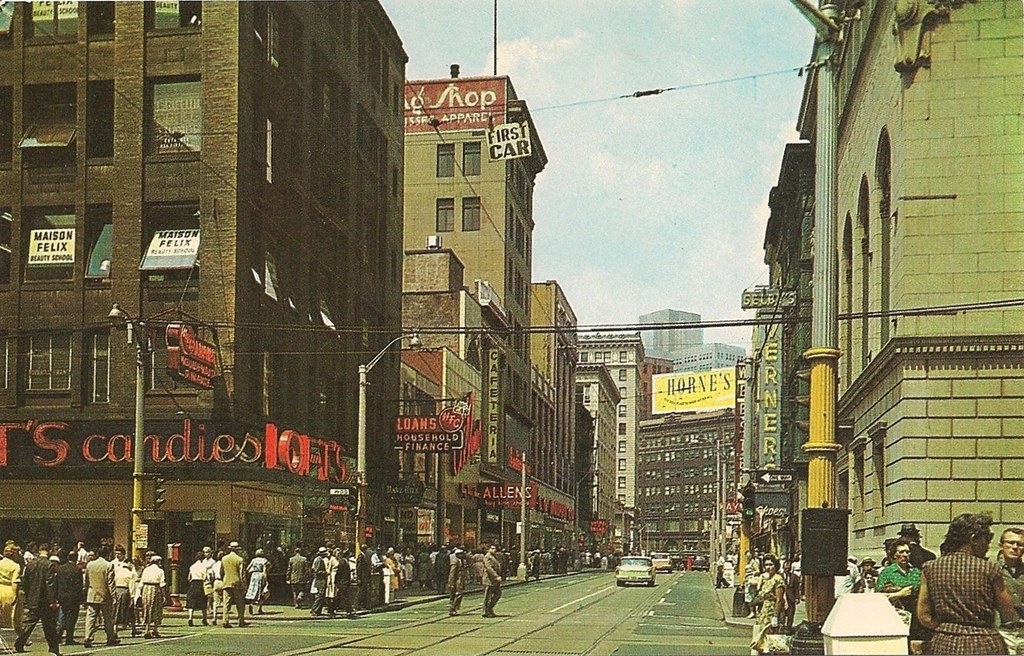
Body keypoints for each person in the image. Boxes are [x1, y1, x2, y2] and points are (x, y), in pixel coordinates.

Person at [917, 513, 1019, 655]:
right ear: (973, 539)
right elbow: (1007, 612)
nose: (988, 545)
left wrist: (946, 628)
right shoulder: (990, 569)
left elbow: (924, 616)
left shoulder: (930, 568)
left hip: (944, 643)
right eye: (987, 538)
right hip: (984, 644)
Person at [877, 537, 927, 644]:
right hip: (895, 614)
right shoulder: (887, 573)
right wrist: (899, 594)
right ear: (894, 555)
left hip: (915, 616)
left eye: (907, 552)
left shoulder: (917, 572)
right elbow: (878, 598)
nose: (905, 555)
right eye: (901, 552)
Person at [14, 543, 60, 655]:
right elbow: (50, 584)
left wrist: (28, 596)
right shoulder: (49, 565)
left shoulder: (30, 564)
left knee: (29, 623)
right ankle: (53, 649)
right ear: (49, 551)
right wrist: (52, 600)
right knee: (49, 626)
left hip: (33, 598)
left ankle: (19, 643)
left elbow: (25, 582)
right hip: (45, 600)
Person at [83, 544, 119, 647]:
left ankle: (88, 637)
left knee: (91, 617)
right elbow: (110, 583)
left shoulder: (90, 565)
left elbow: (86, 581)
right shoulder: (108, 565)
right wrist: (114, 596)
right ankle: (110, 638)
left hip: (92, 594)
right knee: (107, 618)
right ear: (108, 555)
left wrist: (85, 593)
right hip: (104, 595)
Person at [750, 554, 786, 655]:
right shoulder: (767, 579)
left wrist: (775, 616)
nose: (768, 567)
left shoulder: (778, 579)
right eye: (766, 565)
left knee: (771, 643)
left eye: (770, 564)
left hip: (772, 614)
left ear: (776, 566)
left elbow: (779, 599)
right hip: (763, 614)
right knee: (762, 642)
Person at [55, 549, 84, 646]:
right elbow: (78, 586)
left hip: (62, 596)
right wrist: (80, 598)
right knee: (72, 618)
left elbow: (57, 583)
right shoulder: (77, 570)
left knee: (62, 616)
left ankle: (57, 636)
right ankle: (69, 637)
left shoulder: (60, 569)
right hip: (73, 597)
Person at [997, 527, 1024, 625]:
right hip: (998, 627)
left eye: (1020, 544)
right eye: (1011, 543)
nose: (1015, 547)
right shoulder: (992, 569)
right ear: (1001, 545)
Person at [220, 541, 248, 628]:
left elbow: (221, 572)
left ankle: (225, 620)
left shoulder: (224, 559)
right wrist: (244, 586)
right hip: (237, 583)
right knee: (240, 603)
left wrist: (223, 579)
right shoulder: (239, 560)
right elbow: (242, 574)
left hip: (227, 582)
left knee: (226, 603)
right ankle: (240, 620)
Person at [139, 554, 166, 639]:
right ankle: (155, 629)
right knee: (156, 609)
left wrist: (140, 592)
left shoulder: (146, 569)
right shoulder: (160, 571)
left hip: (146, 589)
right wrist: (164, 596)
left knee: (147, 608)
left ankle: (147, 629)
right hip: (155, 589)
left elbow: (141, 581)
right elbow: (162, 584)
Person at [0, 543, 22, 632]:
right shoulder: (15, 566)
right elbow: (14, 582)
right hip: (9, 591)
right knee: (15, 616)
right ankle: (19, 635)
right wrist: (15, 596)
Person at [187, 550, 209, 627]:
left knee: (191, 602)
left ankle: (190, 617)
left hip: (193, 584)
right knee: (203, 603)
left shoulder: (192, 566)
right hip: (200, 584)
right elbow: (205, 577)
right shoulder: (204, 567)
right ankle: (204, 619)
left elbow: (189, 577)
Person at [245, 548, 270, 615]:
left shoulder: (254, 560)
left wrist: (252, 572)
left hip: (254, 576)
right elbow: (264, 571)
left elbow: (247, 569)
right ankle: (259, 608)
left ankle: (251, 603)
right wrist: (266, 580)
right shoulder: (264, 560)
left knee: (253, 591)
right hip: (260, 576)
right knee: (261, 592)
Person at [482, 544, 503, 618]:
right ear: (488, 549)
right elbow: (489, 568)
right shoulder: (487, 557)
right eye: (492, 548)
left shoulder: (494, 556)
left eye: (495, 548)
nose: (494, 550)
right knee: (488, 596)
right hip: (489, 580)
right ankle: (486, 611)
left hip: (495, 580)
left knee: (498, 594)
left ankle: (490, 608)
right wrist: (496, 576)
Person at [331, 548, 353, 616]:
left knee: (339, 596)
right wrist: (336, 581)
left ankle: (332, 609)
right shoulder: (342, 562)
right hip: (342, 582)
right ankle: (349, 610)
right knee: (345, 596)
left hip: (343, 582)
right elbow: (339, 573)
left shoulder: (344, 561)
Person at [781, 558, 801, 632]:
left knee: (790, 615)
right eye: (785, 568)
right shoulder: (780, 576)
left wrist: (797, 597)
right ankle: (782, 628)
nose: (787, 569)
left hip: (791, 599)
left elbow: (796, 588)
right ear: (783, 568)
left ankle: (789, 629)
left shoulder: (794, 577)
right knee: (782, 615)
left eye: (788, 568)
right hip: (782, 598)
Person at [448, 548, 468, 616]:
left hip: (460, 579)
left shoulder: (462, 561)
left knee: (457, 594)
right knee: (458, 594)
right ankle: (452, 608)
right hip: (456, 580)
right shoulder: (455, 562)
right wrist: (451, 583)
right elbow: (452, 573)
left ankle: (454, 608)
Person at [309, 546, 329, 616]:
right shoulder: (319, 560)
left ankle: (318, 610)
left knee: (320, 596)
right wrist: (325, 572)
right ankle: (314, 609)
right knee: (320, 596)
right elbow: (317, 571)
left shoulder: (319, 559)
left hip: (320, 580)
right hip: (320, 580)